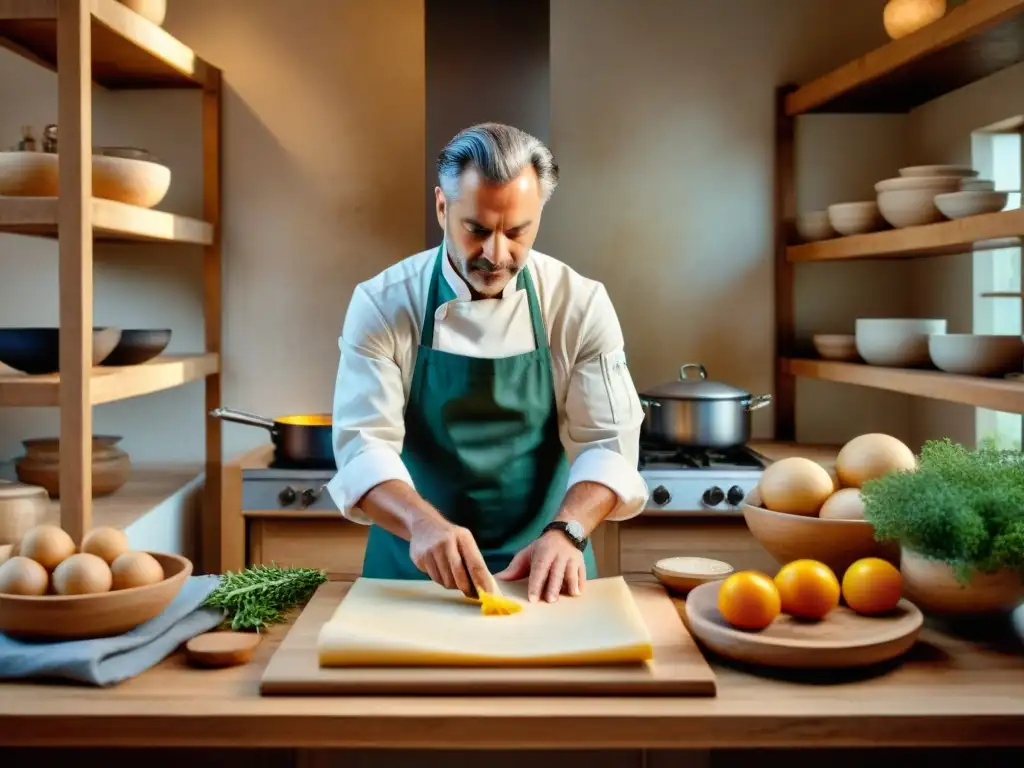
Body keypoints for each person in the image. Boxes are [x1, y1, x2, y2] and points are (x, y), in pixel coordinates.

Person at [327, 122, 647, 603]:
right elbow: (363, 447)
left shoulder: (578, 305)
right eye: (477, 229)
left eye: (517, 231)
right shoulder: (384, 304)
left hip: (547, 571)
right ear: (442, 206)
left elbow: (609, 444)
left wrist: (568, 532)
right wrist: (422, 524)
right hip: (414, 576)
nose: (497, 254)